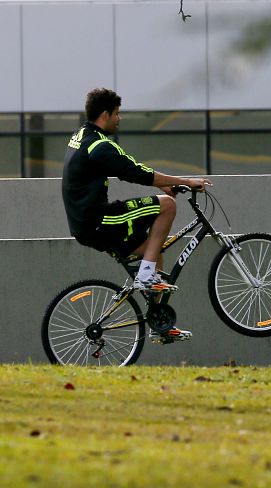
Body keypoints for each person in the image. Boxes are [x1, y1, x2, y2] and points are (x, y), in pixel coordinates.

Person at [62, 88, 212, 344]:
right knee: (167, 206)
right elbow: (135, 171)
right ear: (105, 114)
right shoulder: (100, 145)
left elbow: (133, 170)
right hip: (98, 220)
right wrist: (185, 181)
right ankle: (145, 276)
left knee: (154, 252)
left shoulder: (81, 136)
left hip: (86, 223)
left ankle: (159, 322)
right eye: (117, 114)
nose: (119, 119)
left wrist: (161, 183)